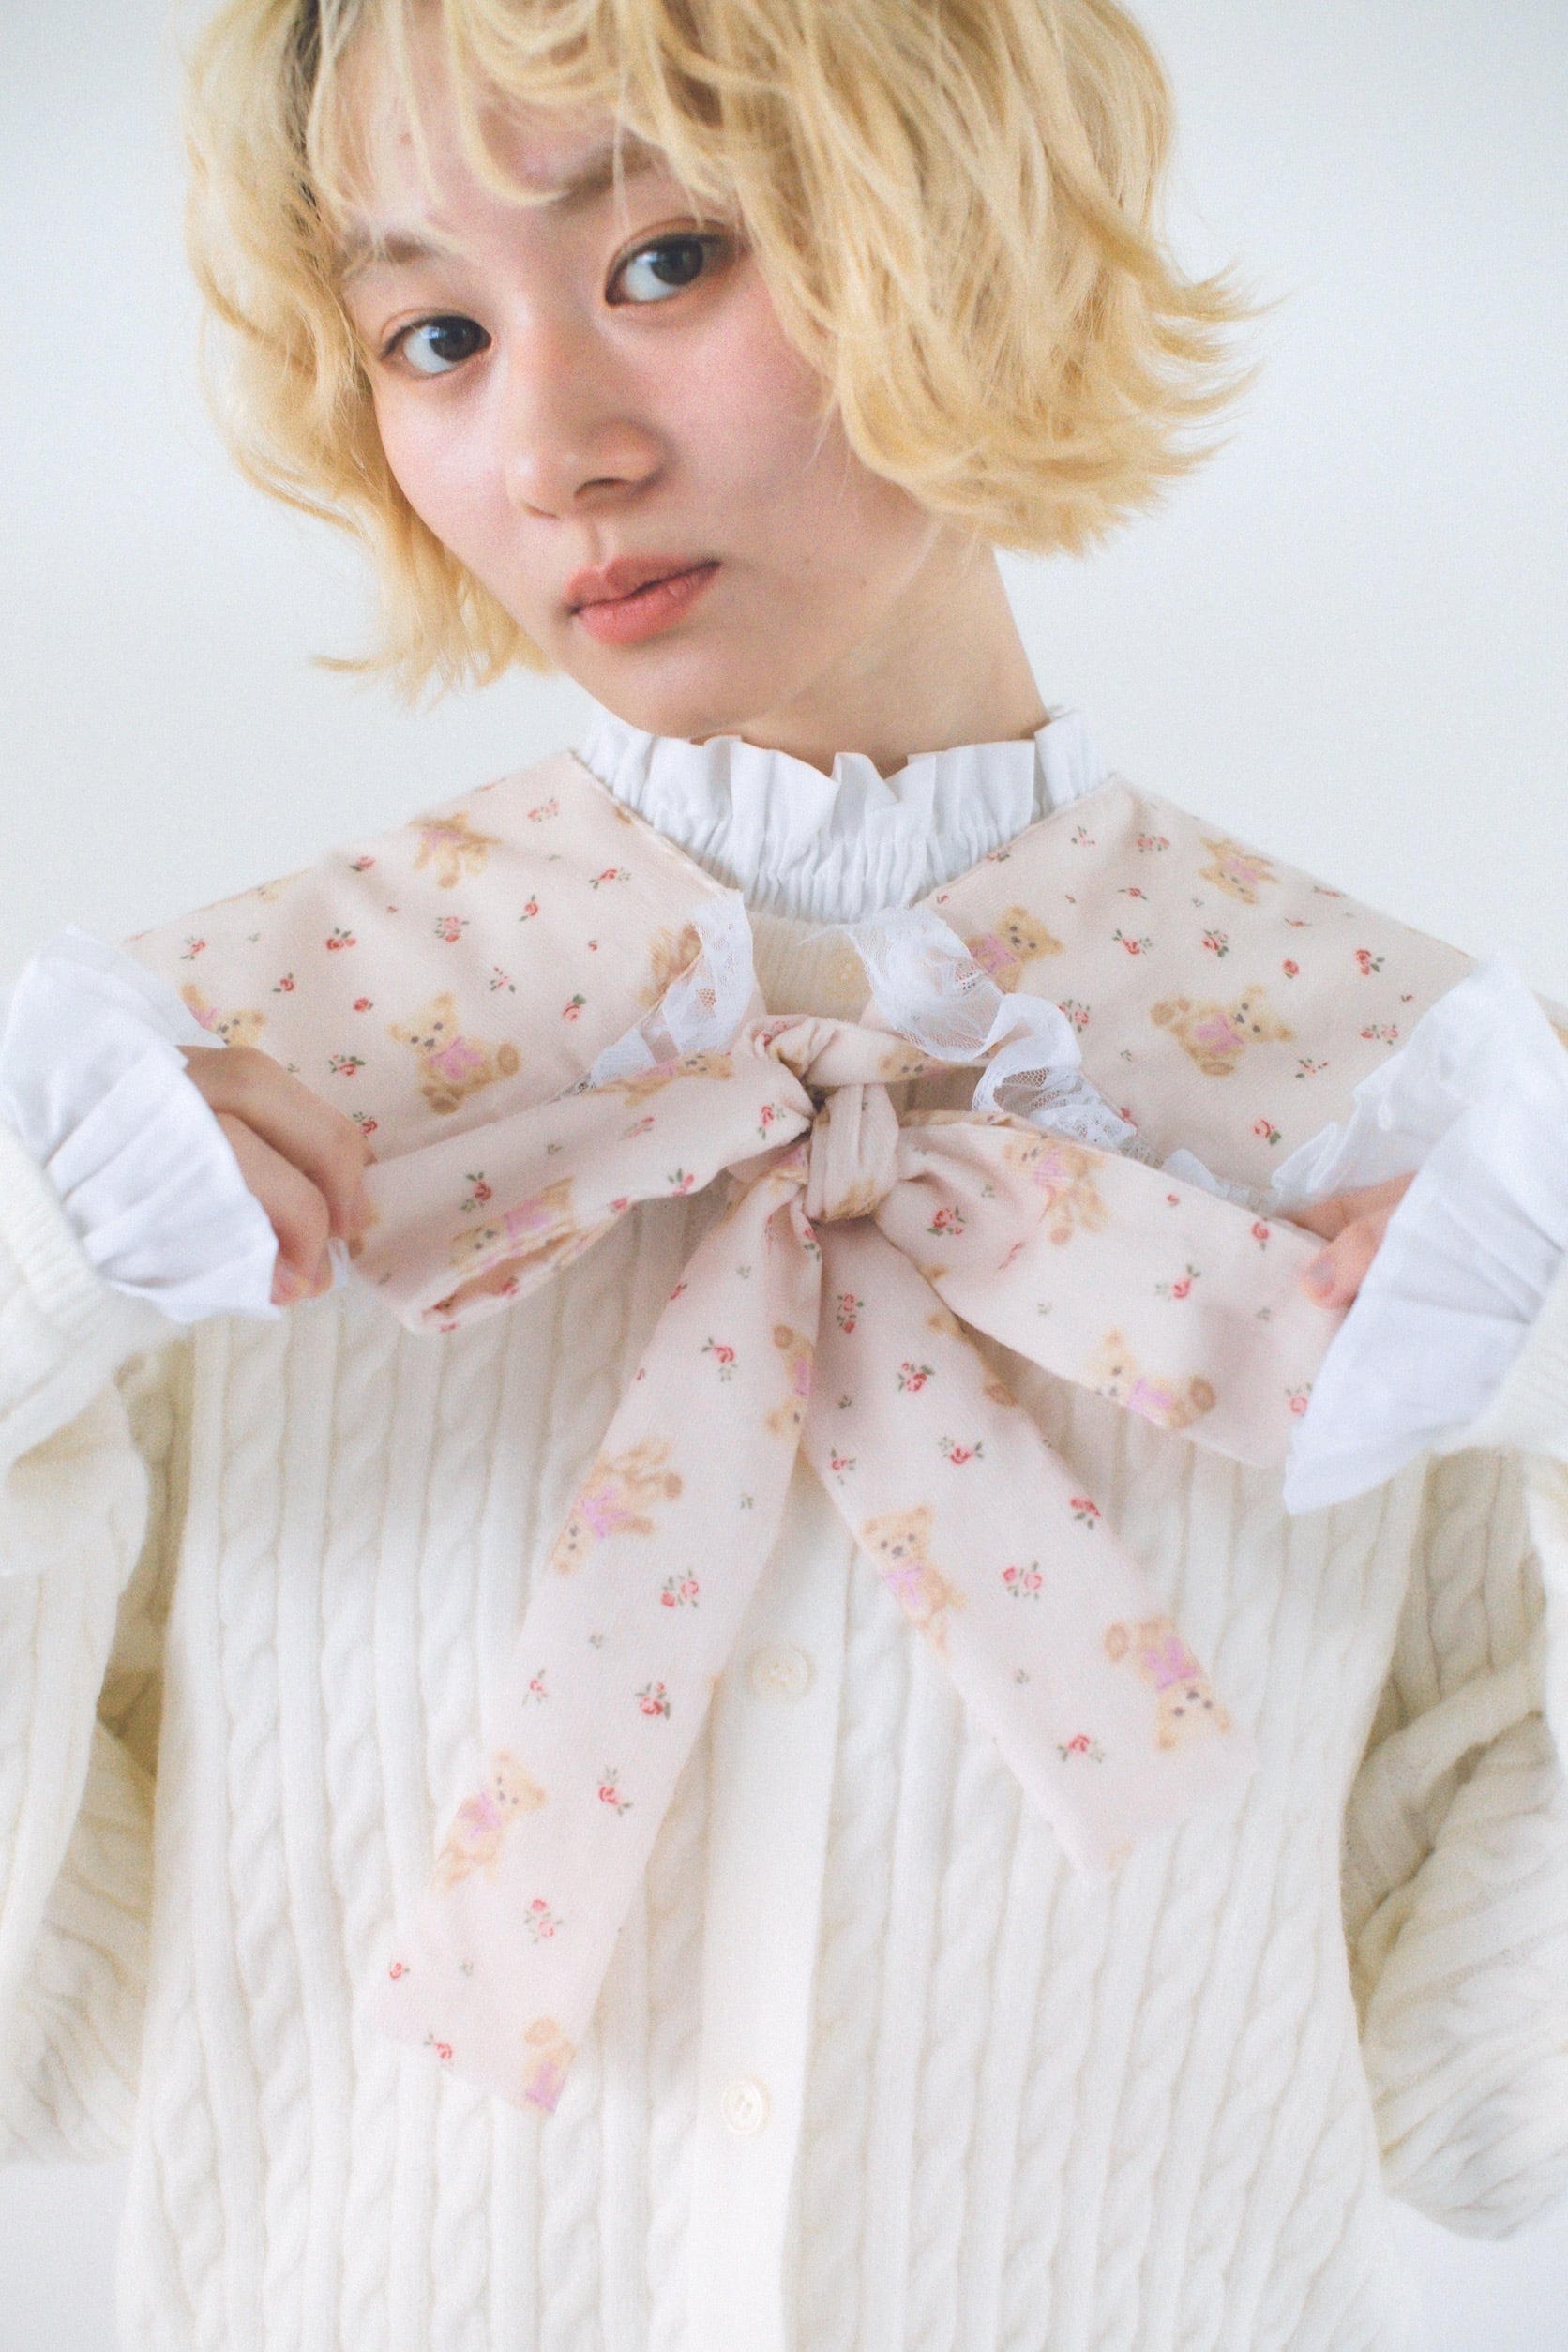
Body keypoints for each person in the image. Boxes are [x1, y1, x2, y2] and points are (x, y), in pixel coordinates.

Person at [1, 0, 1565, 2344]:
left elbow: (1489, 2108)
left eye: (666, 258)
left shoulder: (1415, 1135)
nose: (553, 451)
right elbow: (42, 2031)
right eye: (433, 334)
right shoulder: (211, 1110)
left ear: (966, 219)